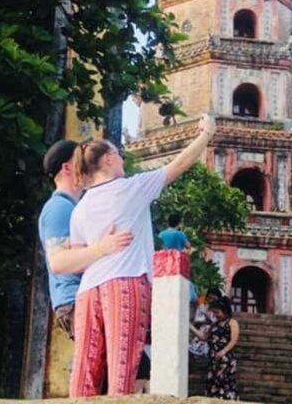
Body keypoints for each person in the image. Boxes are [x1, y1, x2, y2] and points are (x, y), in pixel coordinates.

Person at [68, 114, 217, 397]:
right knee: (121, 370)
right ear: (109, 160)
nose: (123, 160)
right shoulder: (131, 188)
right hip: (125, 283)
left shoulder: (80, 208)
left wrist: (100, 249)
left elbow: (78, 259)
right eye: (119, 155)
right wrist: (206, 135)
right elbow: (180, 164)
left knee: (84, 371)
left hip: (87, 290)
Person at [38, 139, 134, 338]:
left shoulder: (75, 208)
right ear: (67, 168)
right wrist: (101, 248)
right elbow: (58, 262)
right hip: (76, 302)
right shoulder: (59, 208)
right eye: (80, 159)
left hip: (84, 300)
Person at [191, 296, 239, 400]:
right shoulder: (214, 325)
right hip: (213, 359)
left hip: (226, 360)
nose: (215, 315)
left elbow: (234, 340)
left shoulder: (232, 323)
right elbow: (204, 337)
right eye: (214, 312)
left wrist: (224, 351)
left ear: (224, 311)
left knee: (225, 383)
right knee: (213, 384)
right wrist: (190, 326)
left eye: (217, 312)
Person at [190, 287, 223, 357]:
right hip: (198, 335)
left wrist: (205, 313)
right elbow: (197, 320)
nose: (211, 300)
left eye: (214, 299)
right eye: (210, 298)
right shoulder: (202, 306)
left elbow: (215, 321)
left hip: (210, 338)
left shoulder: (219, 311)